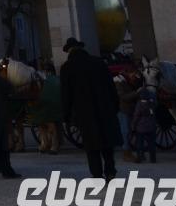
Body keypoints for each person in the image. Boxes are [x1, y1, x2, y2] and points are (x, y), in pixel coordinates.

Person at [60, 37, 120, 179]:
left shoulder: (67, 67)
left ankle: (97, 174)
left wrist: (66, 115)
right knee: (107, 143)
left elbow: (66, 94)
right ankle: (110, 170)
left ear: (69, 50)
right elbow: (111, 87)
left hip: (84, 112)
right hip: (105, 108)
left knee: (91, 146)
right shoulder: (98, 63)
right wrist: (114, 106)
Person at [129, 86, 158, 163]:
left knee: (139, 144)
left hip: (140, 128)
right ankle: (153, 158)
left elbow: (136, 116)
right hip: (151, 127)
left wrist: (133, 125)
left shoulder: (139, 104)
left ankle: (139, 157)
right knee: (151, 144)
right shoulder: (151, 104)